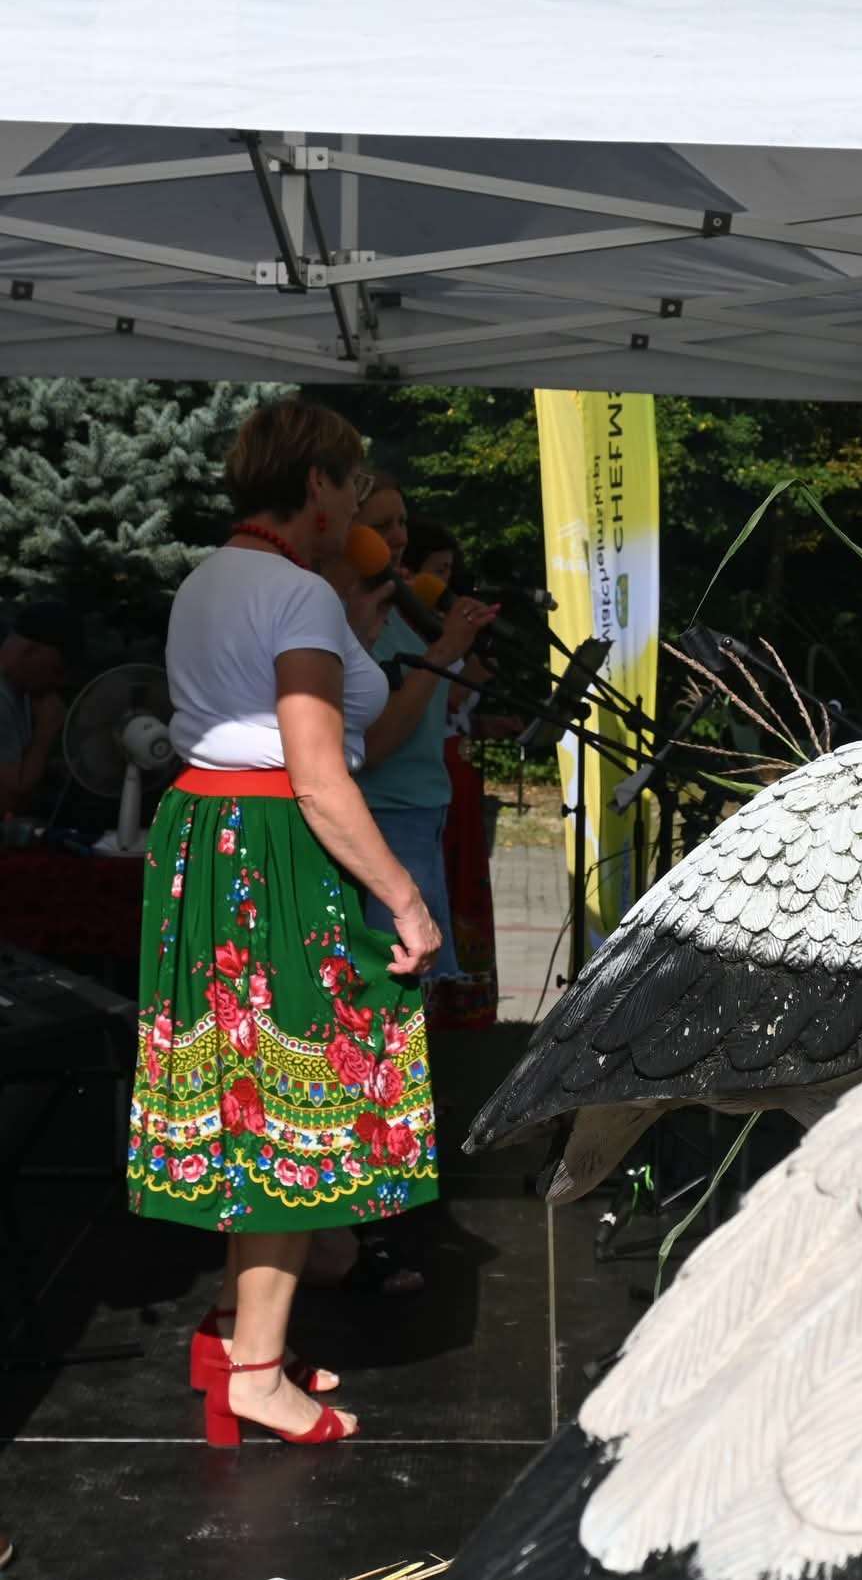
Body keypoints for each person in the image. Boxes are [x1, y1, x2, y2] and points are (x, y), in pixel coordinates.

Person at [127, 397, 443, 1447]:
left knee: (247, 1092)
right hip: (272, 847)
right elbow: (314, 771)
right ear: (316, 485)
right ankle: (256, 1372)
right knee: (292, 1102)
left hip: (206, 836)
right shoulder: (296, 592)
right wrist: (404, 895)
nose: (360, 503)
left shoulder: (210, 581)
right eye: (353, 484)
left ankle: (231, 1334)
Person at [351, 480, 496, 992]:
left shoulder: (399, 604)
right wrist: (442, 653)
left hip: (421, 813)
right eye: (380, 525)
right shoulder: (351, 617)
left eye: (401, 523)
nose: (397, 537)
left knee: (416, 997)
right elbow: (375, 743)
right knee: (390, 997)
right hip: (383, 820)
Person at [407, 518, 515, 1028]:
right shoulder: (412, 633)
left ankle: (466, 1003)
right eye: (437, 569)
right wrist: (465, 674)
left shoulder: (444, 631)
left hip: (461, 773)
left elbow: (455, 712)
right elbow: (427, 704)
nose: (447, 581)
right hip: (432, 778)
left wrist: (487, 720)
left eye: (451, 570)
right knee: (440, 884)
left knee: (466, 882)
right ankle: (436, 1004)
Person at [0, 602, 72, 817]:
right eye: (56, 670)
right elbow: (6, 803)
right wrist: (45, 734)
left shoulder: (19, 691)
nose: (57, 682)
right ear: (29, 651)